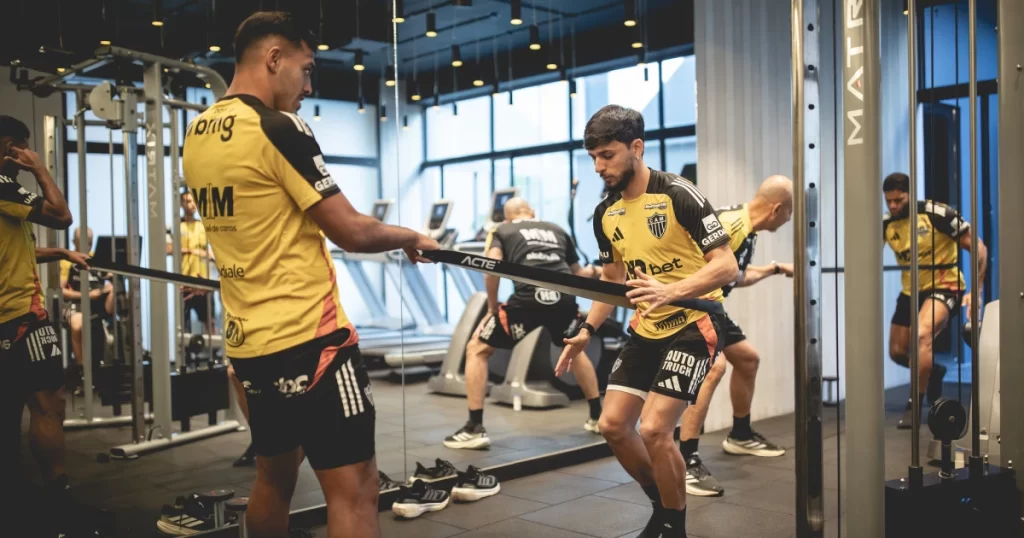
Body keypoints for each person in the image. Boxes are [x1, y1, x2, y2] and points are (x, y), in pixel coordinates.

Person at [182, 12, 439, 538]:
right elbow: (352, 232)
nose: (309, 86)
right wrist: (412, 236)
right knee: (356, 490)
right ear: (274, 59)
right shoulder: (279, 128)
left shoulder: (197, 133)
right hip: (312, 342)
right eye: (306, 69)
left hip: (249, 347)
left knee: (273, 479)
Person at [558, 105, 738, 538]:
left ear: (636, 148)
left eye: (607, 155)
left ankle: (674, 527)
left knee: (656, 429)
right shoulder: (606, 213)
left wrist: (670, 291)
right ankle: (663, 506)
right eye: (594, 158)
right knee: (613, 426)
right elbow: (612, 280)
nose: (599, 167)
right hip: (647, 326)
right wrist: (586, 330)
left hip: (696, 321)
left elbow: (726, 265)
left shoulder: (679, 194)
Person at [444, 197, 605, 450]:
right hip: (563, 299)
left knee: (477, 349)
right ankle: (597, 418)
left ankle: (474, 428)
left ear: (506, 217)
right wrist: (598, 271)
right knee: (573, 348)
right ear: (531, 212)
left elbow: (491, 267)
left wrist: (492, 308)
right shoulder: (556, 229)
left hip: (527, 300)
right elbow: (580, 273)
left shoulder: (502, 230)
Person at [674, 176, 795, 497]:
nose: (789, 219)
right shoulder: (731, 226)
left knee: (747, 359)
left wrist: (775, 268)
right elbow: (690, 271)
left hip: (712, 304)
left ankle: (740, 434)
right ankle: (685, 460)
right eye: (790, 212)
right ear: (777, 209)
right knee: (713, 368)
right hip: (694, 305)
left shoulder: (746, 229)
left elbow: (734, 276)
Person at [0, 115, 78, 532]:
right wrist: (40, 169)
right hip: (21, 316)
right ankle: (59, 500)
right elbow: (62, 215)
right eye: (21, 149)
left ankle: (12, 499)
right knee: (49, 404)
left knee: (11, 408)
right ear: (10, 147)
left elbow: (18, 247)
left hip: (6, 320)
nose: (24, 156)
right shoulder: (3, 184)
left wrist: (61, 254)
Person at [882, 172, 986, 428]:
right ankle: (934, 371)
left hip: (945, 286)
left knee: (921, 335)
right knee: (897, 352)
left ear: (910, 195)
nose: (893, 206)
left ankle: (914, 405)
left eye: (898, 200)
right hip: (911, 291)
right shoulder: (887, 224)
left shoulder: (936, 214)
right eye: (888, 201)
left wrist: (976, 290)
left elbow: (979, 248)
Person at [60, 227, 115, 383]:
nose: (87, 246)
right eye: (83, 242)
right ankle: (82, 370)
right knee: (78, 324)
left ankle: (106, 368)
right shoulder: (66, 261)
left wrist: (110, 282)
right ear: (74, 242)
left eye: (90, 243)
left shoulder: (97, 258)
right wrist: (87, 295)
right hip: (75, 303)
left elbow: (108, 278)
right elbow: (61, 290)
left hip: (97, 304)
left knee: (114, 289)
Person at [166, 190, 215, 335]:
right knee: (183, 325)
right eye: (188, 201)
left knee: (210, 322)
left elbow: (212, 251)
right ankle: (185, 349)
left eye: (193, 201)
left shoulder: (204, 226)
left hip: (203, 282)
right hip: (184, 282)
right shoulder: (176, 226)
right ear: (181, 204)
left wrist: (209, 255)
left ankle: (214, 348)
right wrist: (192, 251)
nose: (192, 204)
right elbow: (168, 249)